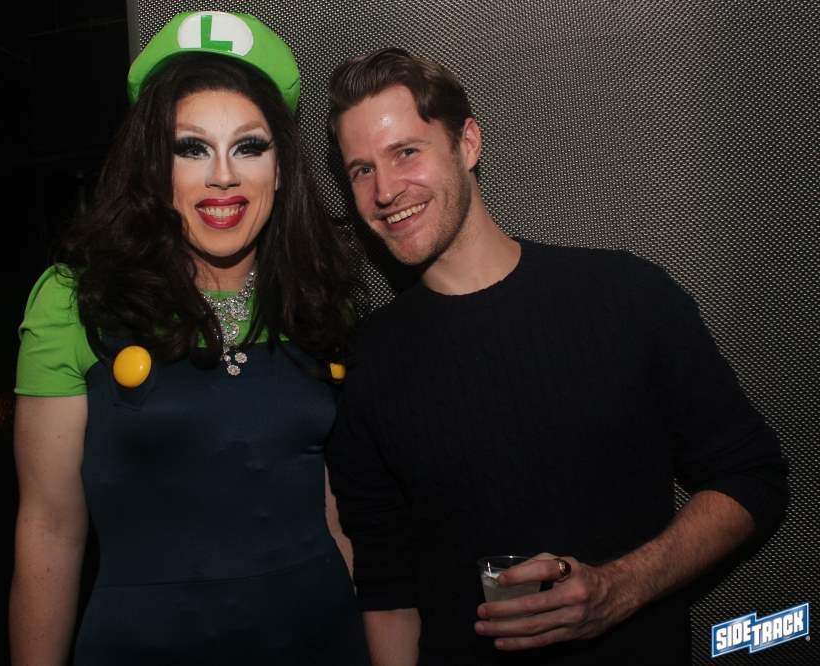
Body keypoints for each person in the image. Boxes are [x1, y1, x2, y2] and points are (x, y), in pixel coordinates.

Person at [324, 47, 788, 665]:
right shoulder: (368, 362)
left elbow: (752, 475)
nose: (385, 190)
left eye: (406, 152)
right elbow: (387, 591)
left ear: (467, 143)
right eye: (361, 169)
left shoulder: (627, 297)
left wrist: (621, 587)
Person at [8, 11, 369, 665]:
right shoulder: (74, 300)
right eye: (191, 148)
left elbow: (338, 517)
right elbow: (49, 528)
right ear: (152, 168)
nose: (223, 175)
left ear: (281, 169)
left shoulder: (319, 297)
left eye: (249, 146)